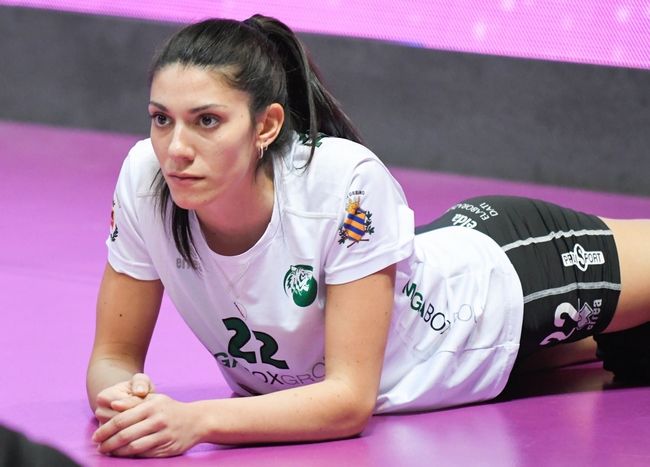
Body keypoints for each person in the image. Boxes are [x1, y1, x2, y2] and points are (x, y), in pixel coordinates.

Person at [87, 15, 650, 458]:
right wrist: (127, 402)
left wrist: (196, 419)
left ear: (267, 125)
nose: (176, 149)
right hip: (437, 342)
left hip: (510, 281)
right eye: (161, 119)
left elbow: (349, 401)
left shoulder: (342, 180)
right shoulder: (144, 181)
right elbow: (113, 357)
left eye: (206, 120)